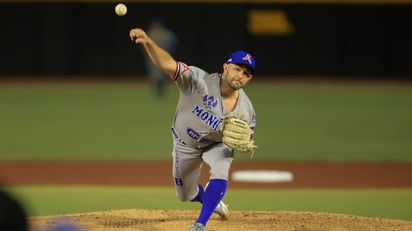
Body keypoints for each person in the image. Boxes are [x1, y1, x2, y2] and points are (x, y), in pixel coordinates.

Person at [129, 28, 257, 231]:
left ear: (249, 79)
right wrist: (148, 42)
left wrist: (245, 141)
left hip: (216, 144)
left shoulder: (246, 110)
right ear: (225, 68)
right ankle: (212, 201)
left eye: (246, 73)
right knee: (185, 194)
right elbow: (166, 64)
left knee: (221, 169)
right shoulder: (198, 81)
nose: (241, 75)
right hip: (185, 144)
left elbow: (248, 136)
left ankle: (200, 224)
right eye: (237, 69)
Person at [144, 17, 179, 98]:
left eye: (157, 25)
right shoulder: (149, 34)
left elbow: (174, 44)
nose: (156, 27)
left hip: (164, 58)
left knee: (164, 75)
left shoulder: (166, 34)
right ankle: (155, 92)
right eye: (154, 26)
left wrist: (168, 52)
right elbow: (143, 46)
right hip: (152, 58)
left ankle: (163, 91)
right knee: (154, 75)